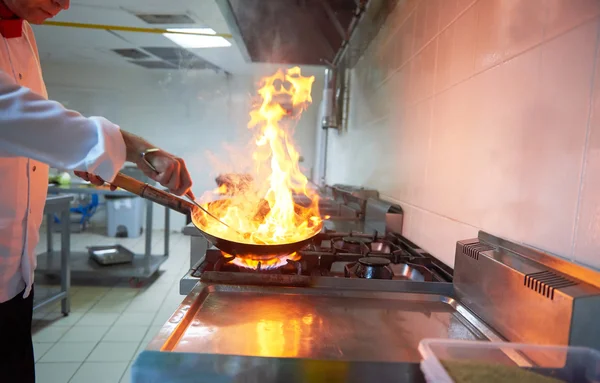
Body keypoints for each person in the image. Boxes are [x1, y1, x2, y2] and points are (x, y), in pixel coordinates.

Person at [0, 0, 194, 381]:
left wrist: (81, 157)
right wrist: (133, 147)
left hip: (15, 279)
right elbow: (10, 112)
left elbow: (29, 128)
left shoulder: (23, 32)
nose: (65, 2)